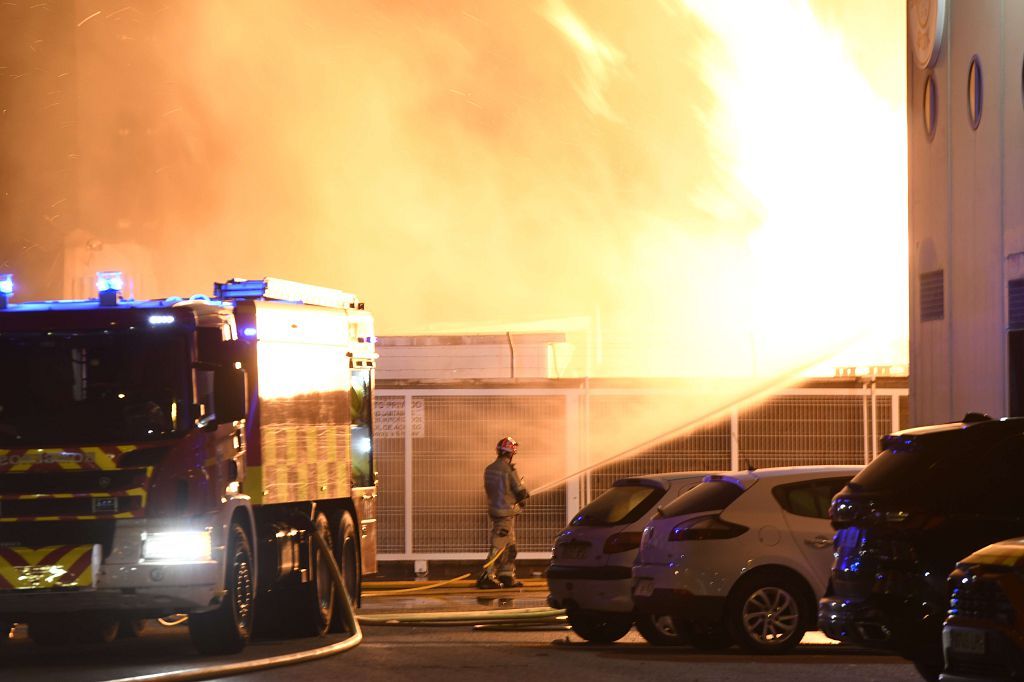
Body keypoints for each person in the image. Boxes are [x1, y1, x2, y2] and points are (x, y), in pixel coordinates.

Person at [477, 436, 530, 589]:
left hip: (496, 510)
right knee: (499, 546)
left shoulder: (489, 469)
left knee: (510, 546)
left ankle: (506, 575)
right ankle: (487, 576)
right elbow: (519, 492)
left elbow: (496, 490)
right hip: (506, 513)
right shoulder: (508, 470)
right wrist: (524, 495)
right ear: (511, 453)